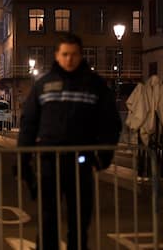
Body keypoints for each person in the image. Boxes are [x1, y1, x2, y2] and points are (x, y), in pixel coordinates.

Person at [17, 33, 122, 250]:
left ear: (81, 55)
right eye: (65, 54)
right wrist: (23, 160)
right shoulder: (43, 85)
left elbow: (110, 122)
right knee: (48, 221)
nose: (69, 59)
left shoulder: (95, 85)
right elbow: (29, 123)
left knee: (79, 221)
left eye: (74, 54)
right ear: (57, 55)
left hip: (81, 163)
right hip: (49, 163)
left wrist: (102, 157)